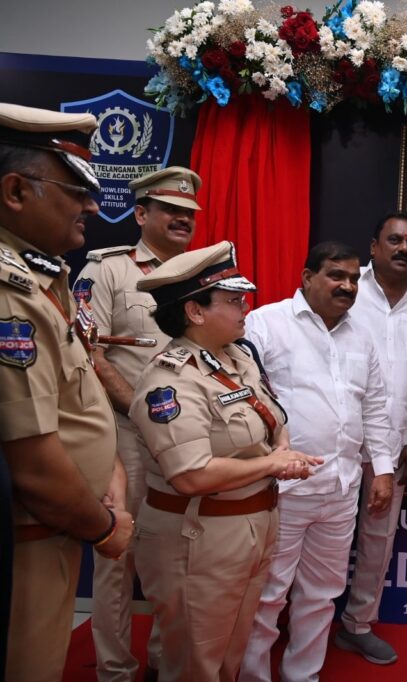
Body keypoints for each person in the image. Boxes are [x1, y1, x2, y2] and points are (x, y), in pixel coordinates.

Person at [128, 241, 321, 682]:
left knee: (228, 656)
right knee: (195, 662)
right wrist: (273, 465)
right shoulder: (170, 382)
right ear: (194, 312)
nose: (244, 308)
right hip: (198, 538)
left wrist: (281, 447)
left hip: (250, 529)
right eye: (233, 300)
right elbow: (191, 474)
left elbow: (272, 418)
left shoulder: (237, 355)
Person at [0, 102, 134, 681]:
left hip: (60, 524)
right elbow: (31, 463)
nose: (93, 206)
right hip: (28, 539)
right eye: (75, 190)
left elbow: (75, 402)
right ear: (14, 191)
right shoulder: (9, 292)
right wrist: (105, 527)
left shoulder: (44, 275)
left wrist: (110, 474)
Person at [240, 242, 395, 681]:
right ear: (308, 277)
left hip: (341, 489)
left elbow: (375, 408)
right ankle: (252, 676)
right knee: (268, 594)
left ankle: (302, 675)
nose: (347, 286)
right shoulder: (266, 323)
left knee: (322, 594)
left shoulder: (362, 336)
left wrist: (383, 469)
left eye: (353, 279)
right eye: (335, 275)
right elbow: (243, 394)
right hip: (283, 490)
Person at [76, 165, 202, 682]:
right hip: (127, 437)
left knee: (175, 557)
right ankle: (115, 670)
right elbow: (89, 355)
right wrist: (139, 412)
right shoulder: (107, 271)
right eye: (170, 209)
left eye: (189, 212)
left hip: (188, 441)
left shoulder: (201, 274)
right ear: (141, 213)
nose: (182, 218)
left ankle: (162, 662)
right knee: (118, 557)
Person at [334, 210, 407, 664]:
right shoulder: (348, 289)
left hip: (396, 446)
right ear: (374, 246)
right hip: (340, 438)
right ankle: (298, 617)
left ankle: (357, 625)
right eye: (395, 240)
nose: (404, 248)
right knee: (320, 532)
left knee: (378, 540)